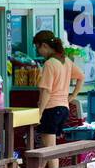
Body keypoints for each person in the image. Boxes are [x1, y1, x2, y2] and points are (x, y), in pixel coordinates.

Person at [32, 31, 85, 161]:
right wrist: (71, 97)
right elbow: (81, 77)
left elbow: (47, 91)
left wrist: (39, 113)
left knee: (50, 150)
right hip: (63, 109)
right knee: (47, 148)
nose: (38, 52)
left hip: (51, 109)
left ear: (44, 45)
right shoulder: (65, 61)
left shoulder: (50, 64)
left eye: (38, 48)